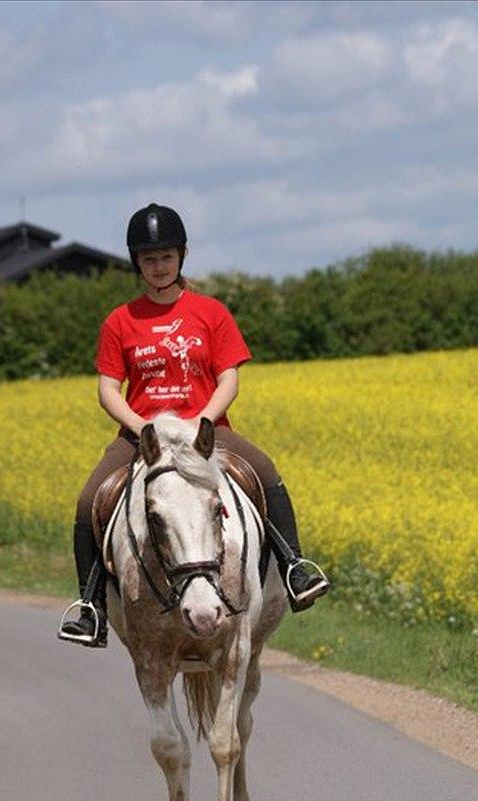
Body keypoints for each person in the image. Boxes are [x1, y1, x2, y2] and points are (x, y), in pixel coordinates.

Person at [59, 202, 329, 648]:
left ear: (181, 256)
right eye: (149, 259)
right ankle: (91, 606)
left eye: (166, 257)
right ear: (137, 263)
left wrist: (204, 418)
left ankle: (295, 566)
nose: (159, 266)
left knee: (265, 471)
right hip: (144, 435)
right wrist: (140, 426)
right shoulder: (120, 321)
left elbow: (229, 378)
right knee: (90, 498)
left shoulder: (211, 312)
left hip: (205, 430)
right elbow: (108, 389)